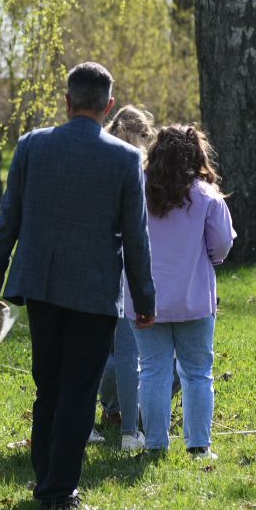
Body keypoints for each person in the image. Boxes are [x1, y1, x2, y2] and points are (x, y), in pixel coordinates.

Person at [0, 62, 155, 510]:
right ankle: (58, 490)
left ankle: (46, 478)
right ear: (108, 106)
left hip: (41, 284)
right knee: (78, 389)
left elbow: (8, 221)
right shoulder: (125, 158)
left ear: (67, 101)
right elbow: (136, 238)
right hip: (95, 291)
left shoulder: (31, 146)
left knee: (49, 387)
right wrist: (145, 299)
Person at [131, 125, 236, 457]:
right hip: (194, 297)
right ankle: (199, 445)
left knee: (152, 371)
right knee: (198, 373)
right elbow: (222, 244)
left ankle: (155, 444)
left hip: (144, 297)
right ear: (197, 156)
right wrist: (211, 259)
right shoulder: (207, 195)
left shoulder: (136, 190)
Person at [96, 105, 156, 448]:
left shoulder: (99, 156)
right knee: (129, 353)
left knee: (94, 349)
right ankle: (130, 428)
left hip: (95, 264)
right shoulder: (136, 167)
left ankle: (100, 418)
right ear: (141, 136)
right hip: (124, 266)